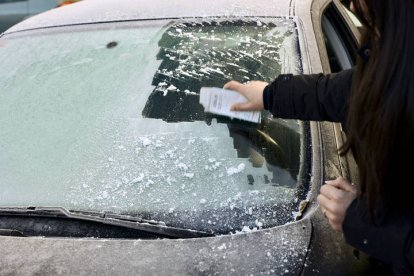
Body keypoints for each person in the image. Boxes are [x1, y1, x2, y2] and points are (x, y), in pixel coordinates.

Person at [223, 0, 414, 274]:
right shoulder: (395, 59)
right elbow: (346, 91)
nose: (354, 6)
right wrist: (270, 95)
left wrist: (362, 222)